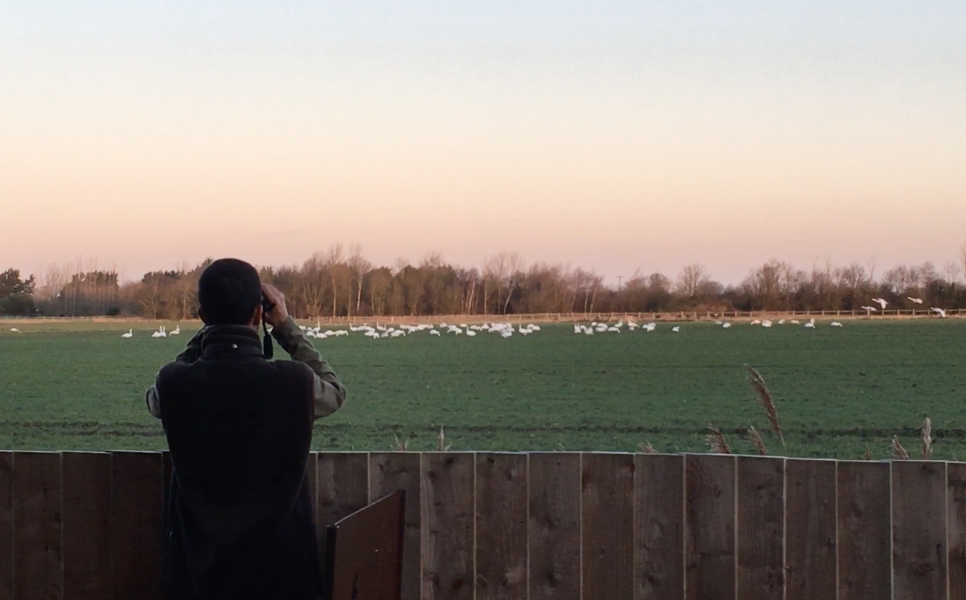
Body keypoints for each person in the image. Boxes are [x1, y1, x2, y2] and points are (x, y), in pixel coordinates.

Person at [145, 258, 347, 600]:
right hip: (284, 574)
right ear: (258, 314)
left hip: (198, 574)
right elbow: (334, 391)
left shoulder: (174, 384)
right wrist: (285, 327)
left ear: (203, 317)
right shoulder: (294, 382)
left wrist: (210, 335)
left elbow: (158, 396)